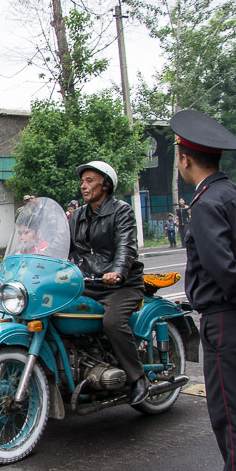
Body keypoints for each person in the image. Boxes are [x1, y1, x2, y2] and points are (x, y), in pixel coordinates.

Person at [172, 109, 236, 471]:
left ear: (185, 158)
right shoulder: (235, 194)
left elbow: (225, 272)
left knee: (231, 416)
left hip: (225, 322)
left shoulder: (204, 204)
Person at [68, 161, 148, 405]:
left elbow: (126, 245)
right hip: (88, 283)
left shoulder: (121, 211)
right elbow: (63, 247)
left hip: (120, 285)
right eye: (82, 181)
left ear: (106, 185)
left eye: (89, 180)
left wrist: (118, 271)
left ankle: (138, 379)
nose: (83, 185)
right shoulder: (77, 216)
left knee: (112, 322)